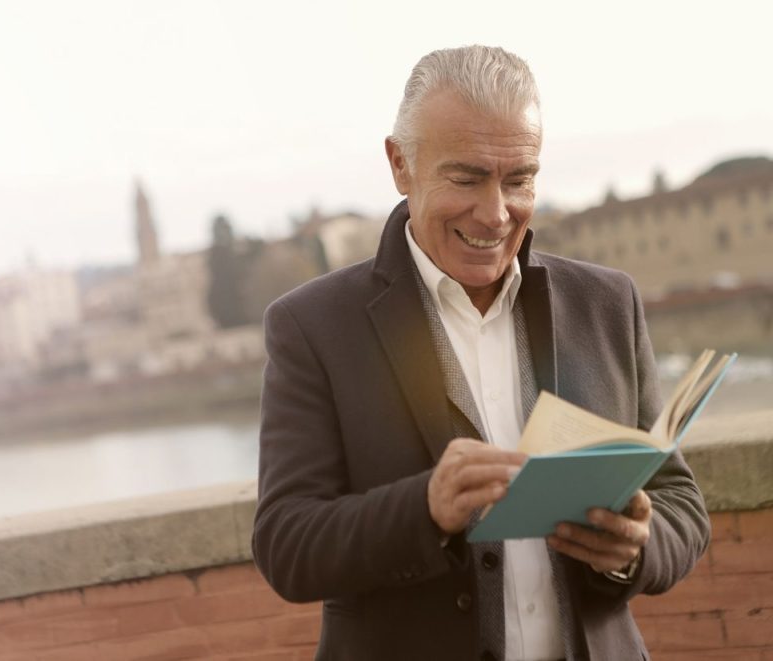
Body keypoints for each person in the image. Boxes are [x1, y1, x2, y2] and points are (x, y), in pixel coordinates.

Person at [251, 45, 709, 661]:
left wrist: (636, 547)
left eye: (519, 179)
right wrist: (425, 507)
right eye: (466, 178)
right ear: (400, 165)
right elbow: (286, 546)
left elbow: (681, 504)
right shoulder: (310, 326)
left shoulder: (607, 302)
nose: (495, 213)